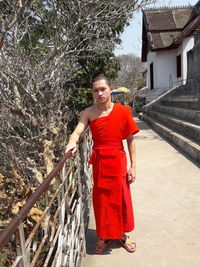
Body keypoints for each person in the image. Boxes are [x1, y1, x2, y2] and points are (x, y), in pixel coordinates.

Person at [65, 75, 139, 254]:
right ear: (92, 93)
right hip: (100, 163)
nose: (99, 93)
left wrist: (133, 166)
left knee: (120, 199)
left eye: (103, 89)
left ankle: (121, 235)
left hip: (118, 161)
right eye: (96, 90)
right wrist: (72, 142)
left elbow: (130, 140)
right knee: (102, 201)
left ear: (110, 89)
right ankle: (105, 236)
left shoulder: (123, 111)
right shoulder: (89, 112)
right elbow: (77, 131)